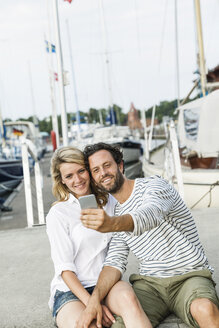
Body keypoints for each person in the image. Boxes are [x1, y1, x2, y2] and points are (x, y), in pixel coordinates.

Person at [77, 142, 219, 328]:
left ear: (119, 166)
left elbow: (149, 215)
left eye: (107, 165)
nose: (103, 173)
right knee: (120, 324)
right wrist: (94, 300)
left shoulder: (155, 186)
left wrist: (111, 224)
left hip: (189, 276)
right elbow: (114, 262)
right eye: (96, 170)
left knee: (205, 309)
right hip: (150, 285)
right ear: (94, 179)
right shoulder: (116, 213)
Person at [46, 146, 152, 328]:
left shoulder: (110, 201)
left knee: (129, 300)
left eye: (81, 171)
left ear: (89, 170)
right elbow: (65, 270)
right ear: (61, 180)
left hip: (107, 284)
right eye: (69, 176)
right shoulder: (58, 213)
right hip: (71, 292)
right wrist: (92, 303)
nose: (77, 180)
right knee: (89, 325)